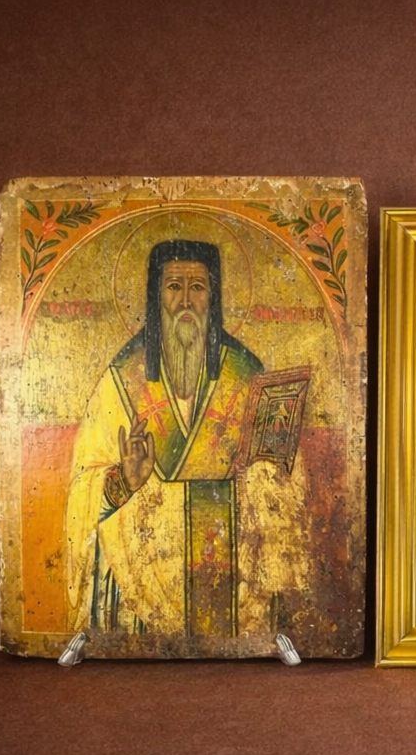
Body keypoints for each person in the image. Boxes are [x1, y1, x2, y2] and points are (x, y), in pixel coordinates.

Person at [64, 240, 309, 638]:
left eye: (197, 287)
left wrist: (264, 479)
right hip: (144, 579)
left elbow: (285, 481)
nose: (185, 301)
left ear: (213, 297)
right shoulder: (121, 380)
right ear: (155, 295)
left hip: (232, 578)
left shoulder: (246, 374)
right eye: (173, 286)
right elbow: (81, 491)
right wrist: (122, 481)